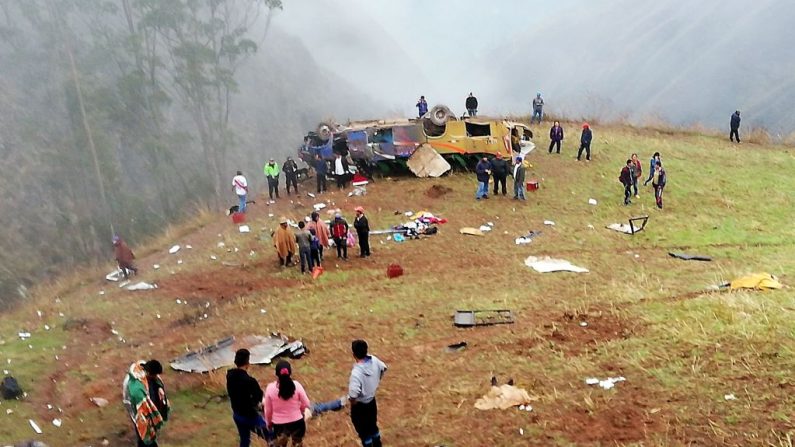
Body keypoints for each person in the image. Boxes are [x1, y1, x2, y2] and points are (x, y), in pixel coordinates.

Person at [348, 340, 387, 447]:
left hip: (360, 406)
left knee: (363, 431)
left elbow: (353, 394)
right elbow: (384, 368)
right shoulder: (374, 360)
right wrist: (376, 380)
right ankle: (378, 444)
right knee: (372, 425)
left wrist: (353, 403)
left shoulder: (356, 373)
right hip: (371, 401)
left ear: (354, 354)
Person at [263, 360, 310, 447]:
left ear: (276, 374)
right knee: (297, 444)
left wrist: (268, 423)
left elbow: (268, 410)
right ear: (290, 372)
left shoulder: (270, 388)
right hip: (297, 423)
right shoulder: (297, 385)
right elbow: (306, 403)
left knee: (281, 444)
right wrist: (301, 411)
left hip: (279, 425)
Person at [227, 349, 268, 447]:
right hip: (250, 417)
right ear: (247, 363)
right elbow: (259, 397)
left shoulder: (230, 376)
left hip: (237, 415)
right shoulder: (250, 381)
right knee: (270, 436)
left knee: (244, 440)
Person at [123, 360, 168, 447]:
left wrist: (159, 387)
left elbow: (157, 381)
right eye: (154, 375)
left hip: (148, 404)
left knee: (148, 431)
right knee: (143, 430)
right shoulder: (137, 388)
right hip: (138, 408)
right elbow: (139, 406)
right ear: (149, 373)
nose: (156, 377)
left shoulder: (148, 373)